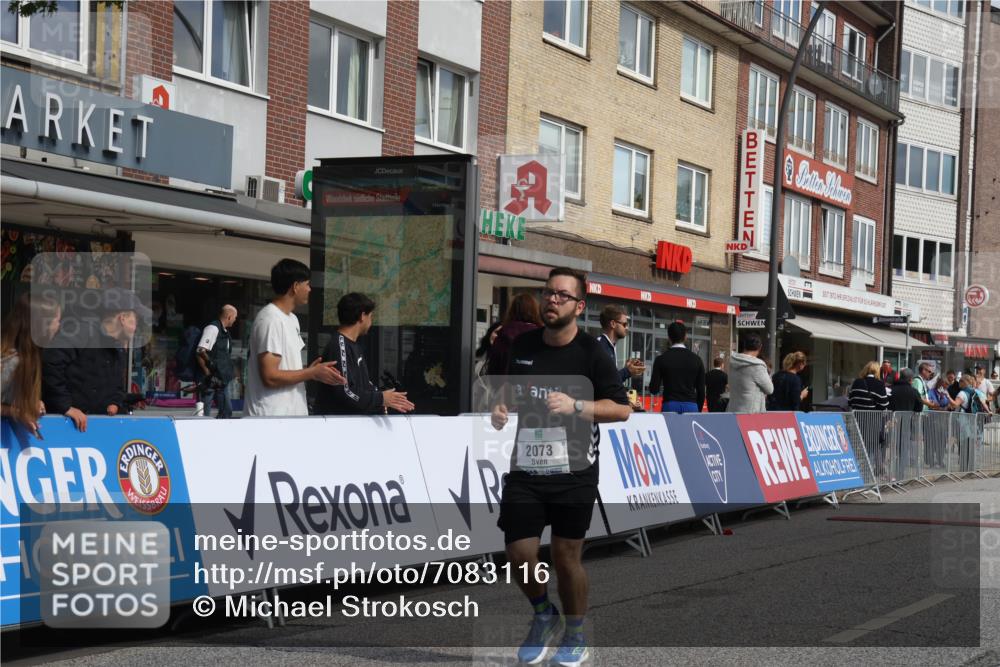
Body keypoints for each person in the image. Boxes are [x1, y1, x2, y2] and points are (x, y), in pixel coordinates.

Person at [490, 267, 630, 666]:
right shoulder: (524, 344)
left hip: (574, 470)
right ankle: (542, 614)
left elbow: (621, 409)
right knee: (519, 553)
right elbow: (510, 392)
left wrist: (578, 406)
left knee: (566, 558)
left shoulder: (593, 353)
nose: (552, 300)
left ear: (579, 306)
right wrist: (501, 407)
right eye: (549, 293)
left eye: (562, 295)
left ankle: (576, 634)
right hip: (526, 467)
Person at [244, 259, 345, 416]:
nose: (310, 289)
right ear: (295, 287)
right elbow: (270, 377)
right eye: (307, 284)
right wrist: (311, 373)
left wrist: (312, 371)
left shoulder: (292, 319)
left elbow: (285, 370)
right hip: (270, 419)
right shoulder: (271, 319)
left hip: (290, 417)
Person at [43, 288, 147, 432]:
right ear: (122, 318)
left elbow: (116, 387)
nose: (136, 327)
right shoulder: (82, 332)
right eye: (136, 319)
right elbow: (51, 362)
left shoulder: (118, 348)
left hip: (93, 431)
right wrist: (65, 406)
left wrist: (115, 402)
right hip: (63, 427)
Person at [314, 293, 415, 415]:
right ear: (362, 316)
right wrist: (381, 399)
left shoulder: (353, 345)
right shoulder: (339, 345)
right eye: (371, 316)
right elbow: (345, 391)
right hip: (337, 425)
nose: (371, 322)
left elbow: (364, 386)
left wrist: (384, 401)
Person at [1, 294, 61, 437]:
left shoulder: (30, 357)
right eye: (57, 321)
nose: (59, 326)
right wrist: (17, 412)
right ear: (42, 325)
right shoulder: (11, 361)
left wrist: (31, 402)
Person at [648, 322, 705, 413]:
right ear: (685, 337)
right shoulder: (697, 360)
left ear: (669, 337)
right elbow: (701, 391)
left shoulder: (661, 359)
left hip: (670, 405)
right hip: (691, 405)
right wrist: (698, 410)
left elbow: (654, 389)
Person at [196, 305, 238, 419]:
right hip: (211, 380)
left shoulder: (225, 332)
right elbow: (200, 351)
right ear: (229, 317)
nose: (235, 320)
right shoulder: (212, 329)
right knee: (205, 414)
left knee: (226, 412)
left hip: (221, 379)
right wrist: (208, 373)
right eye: (235, 317)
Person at [487, 294, 543, 376]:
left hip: (504, 385)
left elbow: (493, 367)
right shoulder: (541, 334)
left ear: (511, 311)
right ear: (535, 311)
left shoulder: (502, 333)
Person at [595, 305, 644, 385]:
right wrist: (628, 371)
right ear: (613, 324)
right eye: (624, 324)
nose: (627, 328)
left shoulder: (609, 346)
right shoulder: (601, 347)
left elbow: (612, 379)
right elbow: (608, 382)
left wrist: (627, 369)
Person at [727, 333, 773, 414]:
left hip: (733, 410)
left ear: (744, 346)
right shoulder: (757, 366)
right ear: (760, 347)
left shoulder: (733, 361)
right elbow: (769, 389)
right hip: (750, 413)